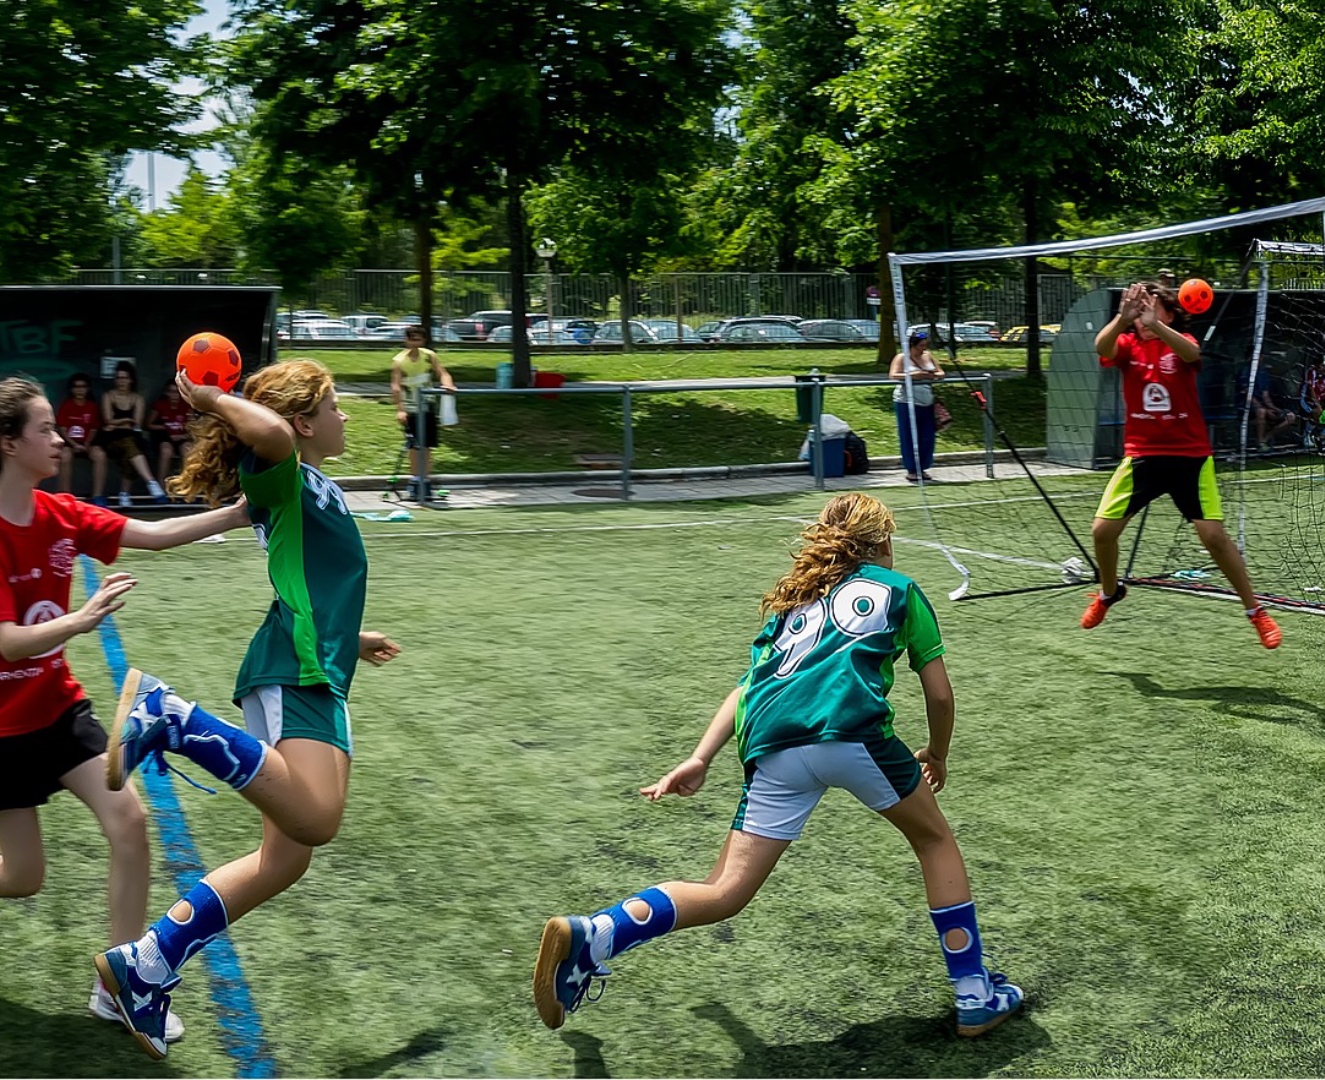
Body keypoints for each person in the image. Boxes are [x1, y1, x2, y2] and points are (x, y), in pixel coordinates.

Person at [530, 493, 1025, 1038]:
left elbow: (748, 687)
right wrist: (938, 753)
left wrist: (701, 756)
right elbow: (940, 695)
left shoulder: (795, 602)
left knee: (723, 892)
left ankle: (597, 932)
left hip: (774, 748)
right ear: (884, 543)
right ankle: (975, 993)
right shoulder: (900, 589)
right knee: (934, 842)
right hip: (853, 734)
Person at [0, 377, 247, 1041]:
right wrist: (80, 621)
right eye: (46, 429)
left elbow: (150, 534)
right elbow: (8, 640)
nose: (60, 439)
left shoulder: (60, 512)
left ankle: (121, 985)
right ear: (9, 445)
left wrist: (235, 514)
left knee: (129, 820)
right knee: (23, 877)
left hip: (56, 709)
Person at [95, 359, 402, 1060]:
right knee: (318, 821)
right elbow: (266, 434)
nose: (346, 416)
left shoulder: (312, 487)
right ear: (301, 424)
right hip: (297, 668)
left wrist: (353, 635)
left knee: (284, 858)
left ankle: (146, 965)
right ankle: (169, 716)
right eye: (333, 405)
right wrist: (208, 397)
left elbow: (308, 577)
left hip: (312, 662)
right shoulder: (284, 470)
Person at [1081, 282, 1281, 648]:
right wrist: (1121, 318)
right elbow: (1101, 347)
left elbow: (1190, 352)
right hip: (1142, 456)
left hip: (1190, 457)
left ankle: (1255, 610)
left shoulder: (1181, 339)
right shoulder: (1127, 345)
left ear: (1168, 313)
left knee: (1214, 538)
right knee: (1101, 532)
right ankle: (1109, 592)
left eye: (1150, 305)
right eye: (1137, 305)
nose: (1141, 311)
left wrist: (1155, 325)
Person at [389, 326, 456, 503]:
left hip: (427, 406)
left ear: (423, 341)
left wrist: (447, 384)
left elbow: (442, 373)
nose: (414, 343)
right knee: (414, 445)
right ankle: (415, 481)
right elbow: (395, 386)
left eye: (418, 340)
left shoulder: (429, 356)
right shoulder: (399, 360)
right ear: (406, 340)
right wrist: (400, 409)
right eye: (412, 339)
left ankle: (425, 480)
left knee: (427, 445)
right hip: (411, 407)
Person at [99, 362, 169, 508]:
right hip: (111, 440)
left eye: (125, 378)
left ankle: (125, 494)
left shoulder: (137, 398)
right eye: (118, 378)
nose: (121, 381)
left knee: (130, 449)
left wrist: (116, 423)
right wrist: (125, 420)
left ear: (131, 380)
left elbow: (136, 423)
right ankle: (148, 483)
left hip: (131, 436)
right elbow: (107, 420)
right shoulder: (108, 396)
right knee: (130, 445)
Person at [891, 328, 944, 482]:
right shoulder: (902, 357)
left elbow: (941, 372)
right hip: (907, 402)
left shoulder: (928, 356)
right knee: (909, 435)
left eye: (925, 345)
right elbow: (893, 375)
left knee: (927, 436)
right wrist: (913, 375)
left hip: (927, 402)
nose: (924, 349)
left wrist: (933, 375)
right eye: (921, 345)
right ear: (912, 345)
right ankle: (912, 469)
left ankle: (924, 467)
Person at [56, 374, 106, 502]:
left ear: (88, 388)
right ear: (71, 389)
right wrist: (74, 445)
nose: (79, 390)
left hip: (88, 443)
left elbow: (94, 428)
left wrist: (87, 444)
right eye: (76, 387)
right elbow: (62, 428)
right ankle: (65, 497)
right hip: (70, 443)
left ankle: (98, 495)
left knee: (100, 455)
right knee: (65, 456)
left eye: (83, 386)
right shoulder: (66, 405)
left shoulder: (92, 406)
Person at [147, 379, 194, 486]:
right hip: (165, 436)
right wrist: (164, 427)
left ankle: (188, 486)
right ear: (166, 392)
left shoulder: (187, 406)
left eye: (177, 392)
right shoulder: (160, 405)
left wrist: (183, 435)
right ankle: (161, 486)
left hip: (183, 437)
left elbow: (193, 427)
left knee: (187, 451)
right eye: (171, 392)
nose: (174, 395)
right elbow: (148, 425)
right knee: (166, 451)